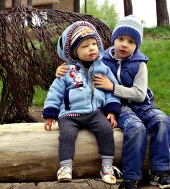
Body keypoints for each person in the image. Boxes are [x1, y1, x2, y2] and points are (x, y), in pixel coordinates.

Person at [56, 15, 170, 189]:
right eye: (120, 39)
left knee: (163, 121)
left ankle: (159, 171)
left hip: (142, 104)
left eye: (131, 41)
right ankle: (131, 177)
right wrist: (62, 69)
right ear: (114, 39)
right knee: (136, 128)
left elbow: (140, 95)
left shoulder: (140, 64)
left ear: (137, 45)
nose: (124, 44)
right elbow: (79, 66)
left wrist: (112, 87)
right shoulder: (102, 60)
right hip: (120, 106)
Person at [43, 21, 121, 184]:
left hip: (95, 113)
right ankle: (65, 167)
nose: (92, 48)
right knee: (67, 134)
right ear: (74, 52)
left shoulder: (103, 69)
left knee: (106, 130)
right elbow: (55, 92)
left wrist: (112, 110)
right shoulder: (66, 71)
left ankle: (107, 166)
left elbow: (110, 91)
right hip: (69, 115)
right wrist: (50, 113)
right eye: (85, 46)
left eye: (94, 44)